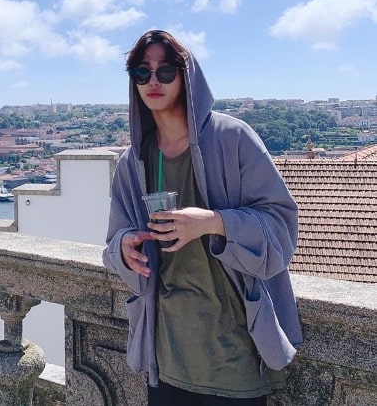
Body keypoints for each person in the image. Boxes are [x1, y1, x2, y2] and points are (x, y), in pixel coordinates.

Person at [103, 30, 302, 406]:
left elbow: (281, 226)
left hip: (234, 353)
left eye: (166, 70)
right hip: (166, 354)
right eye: (142, 73)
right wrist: (125, 246)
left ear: (187, 74)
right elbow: (112, 244)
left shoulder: (233, 138)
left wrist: (213, 222)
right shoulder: (136, 161)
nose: (153, 81)